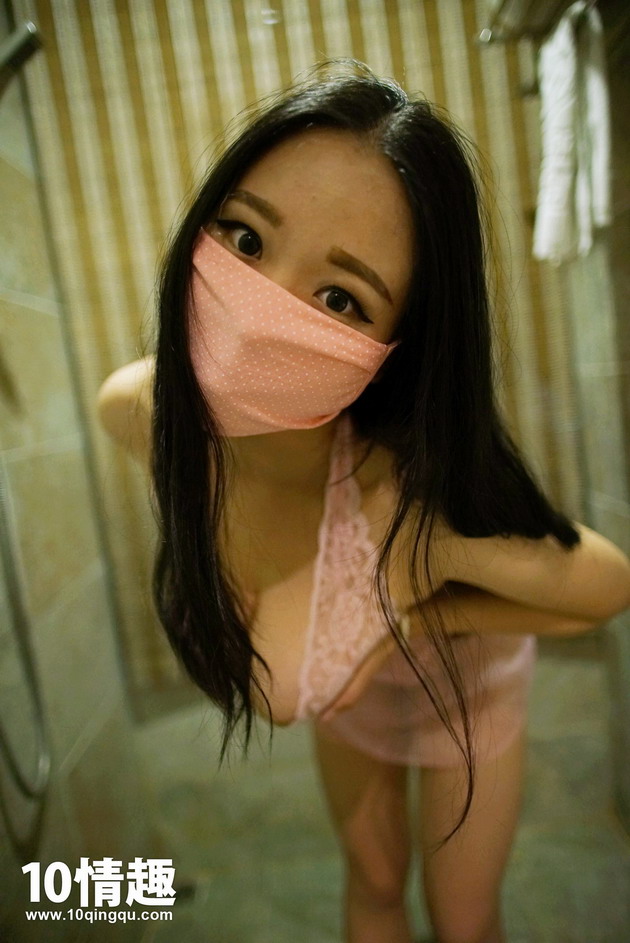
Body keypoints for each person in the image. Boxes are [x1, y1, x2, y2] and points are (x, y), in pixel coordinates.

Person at [98, 62, 630, 943]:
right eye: (244, 238)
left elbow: (606, 585)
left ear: (394, 352)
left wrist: (415, 610)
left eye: (341, 298)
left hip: (463, 683)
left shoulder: (408, 498)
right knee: (375, 881)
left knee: (463, 917)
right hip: (354, 705)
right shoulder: (141, 413)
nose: (259, 314)